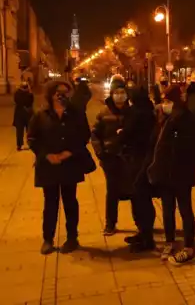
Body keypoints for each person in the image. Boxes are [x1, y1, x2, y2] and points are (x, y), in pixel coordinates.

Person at [28, 80, 94, 255]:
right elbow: (32, 138)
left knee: (70, 201)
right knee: (50, 203)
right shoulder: (41, 114)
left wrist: (69, 152)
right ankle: (47, 239)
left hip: (69, 165)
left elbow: (84, 135)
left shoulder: (77, 114)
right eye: (57, 91)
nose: (61, 95)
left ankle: (72, 238)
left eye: (65, 91)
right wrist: (46, 155)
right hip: (48, 166)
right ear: (50, 94)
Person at [147, 85, 195, 265]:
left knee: (185, 210)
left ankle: (189, 245)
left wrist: (188, 166)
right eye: (163, 101)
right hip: (165, 173)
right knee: (168, 209)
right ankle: (170, 241)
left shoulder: (186, 119)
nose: (164, 104)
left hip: (181, 173)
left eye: (167, 101)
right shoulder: (163, 119)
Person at [91, 75, 132, 236]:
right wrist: (101, 153)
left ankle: (141, 225)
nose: (120, 95)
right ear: (112, 94)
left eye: (123, 92)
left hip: (129, 157)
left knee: (134, 191)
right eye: (117, 92)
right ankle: (110, 224)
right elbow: (95, 135)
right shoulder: (103, 112)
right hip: (111, 157)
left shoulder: (132, 112)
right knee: (112, 191)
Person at [121, 86, 158, 252]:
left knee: (140, 197)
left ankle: (146, 237)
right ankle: (143, 233)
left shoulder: (136, 113)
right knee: (142, 198)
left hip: (138, 159)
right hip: (144, 159)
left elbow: (129, 133)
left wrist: (121, 133)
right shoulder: (149, 111)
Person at [13, 80, 34, 151]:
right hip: (28, 114)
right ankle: (30, 144)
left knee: (19, 131)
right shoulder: (29, 93)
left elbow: (17, 101)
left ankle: (19, 145)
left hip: (19, 114)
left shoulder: (17, 93)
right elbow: (30, 102)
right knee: (29, 130)